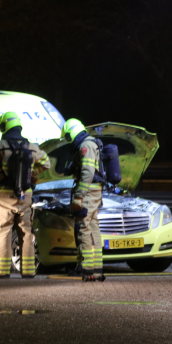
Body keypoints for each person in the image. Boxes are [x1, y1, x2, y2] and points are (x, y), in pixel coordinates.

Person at [0, 112, 50, 278]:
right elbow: (46, 162)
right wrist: (33, 173)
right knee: (26, 232)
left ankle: (2, 271)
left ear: (4, 127)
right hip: (25, 196)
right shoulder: (31, 146)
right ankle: (29, 270)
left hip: (4, 196)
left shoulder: (1, 145)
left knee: (4, 231)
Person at [61, 118, 105, 282]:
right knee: (93, 227)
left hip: (88, 192)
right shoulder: (90, 143)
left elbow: (87, 173)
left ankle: (86, 268)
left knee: (83, 228)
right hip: (95, 191)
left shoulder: (85, 146)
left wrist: (79, 196)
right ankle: (96, 268)